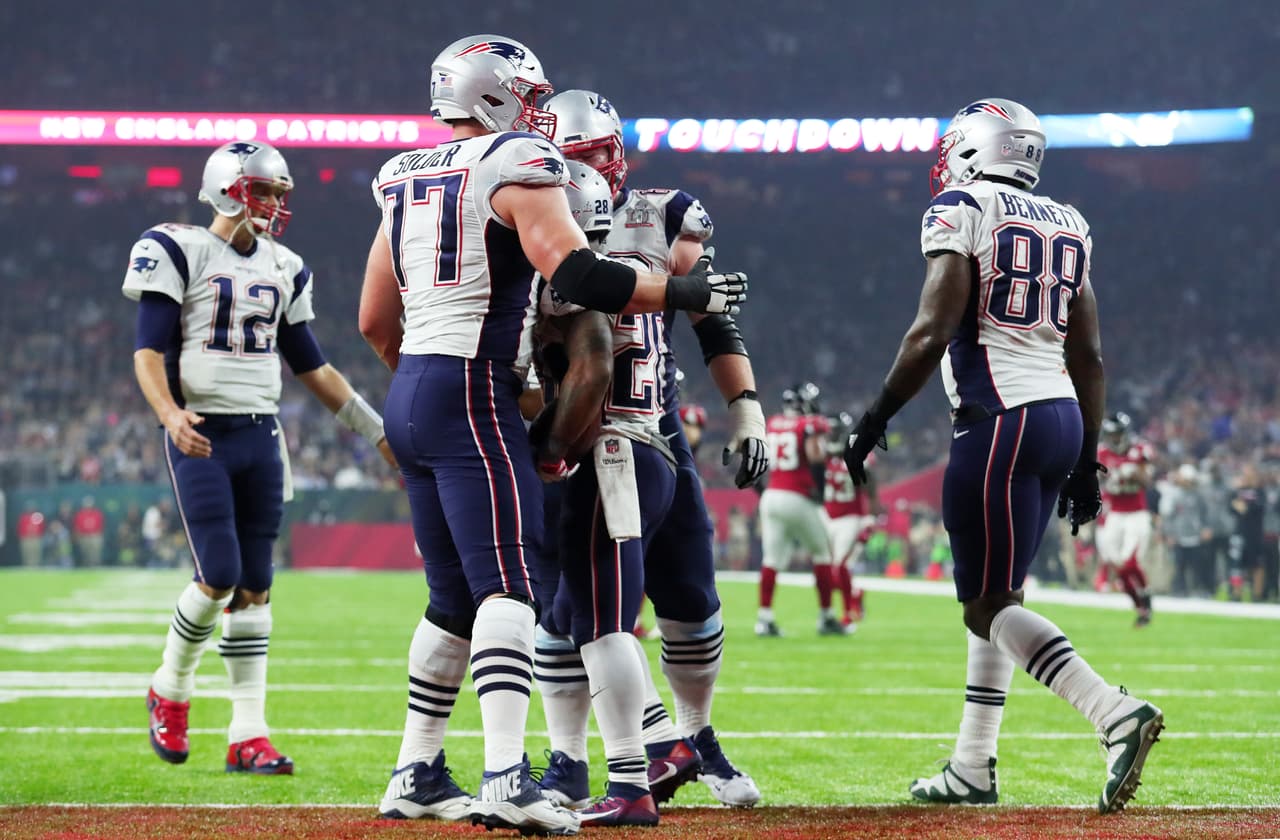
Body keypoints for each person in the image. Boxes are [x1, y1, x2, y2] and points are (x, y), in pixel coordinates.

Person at [358, 37, 746, 835]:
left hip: (413, 388)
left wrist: (422, 385)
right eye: (527, 94)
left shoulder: (400, 174)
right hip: (473, 388)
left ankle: (416, 770)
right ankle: (508, 775)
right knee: (510, 590)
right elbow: (579, 277)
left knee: (452, 602)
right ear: (498, 96)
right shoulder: (519, 160)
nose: (538, 110)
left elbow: (372, 320)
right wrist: (682, 289)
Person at [842, 98, 1163, 814]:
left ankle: (1112, 712)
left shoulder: (963, 206)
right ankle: (972, 765)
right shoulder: (1070, 221)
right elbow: (1090, 355)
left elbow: (932, 330)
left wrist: (873, 420)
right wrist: (1087, 461)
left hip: (1001, 422)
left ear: (973, 149)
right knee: (1000, 598)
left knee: (985, 605)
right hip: (1061, 419)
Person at [125, 140, 394, 777]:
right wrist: (169, 414)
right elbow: (146, 351)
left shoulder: (285, 264)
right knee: (217, 573)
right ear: (226, 188)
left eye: (279, 193)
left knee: (256, 587)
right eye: (263, 190)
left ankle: (249, 733)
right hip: (203, 433)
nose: (274, 204)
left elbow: (313, 366)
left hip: (262, 435)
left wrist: (379, 432)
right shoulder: (177, 248)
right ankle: (171, 687)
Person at [538, 88, 765, 809]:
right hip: (580, 435)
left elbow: (712, 317)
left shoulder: (660, 212)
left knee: (689, 600)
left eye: (609, 149)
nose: (604, 167)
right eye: (584, 156)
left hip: (648, 428)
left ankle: (690, 740)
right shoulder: (531, 218)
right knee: (572, 608)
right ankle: (578, 757)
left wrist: (748, 410)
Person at [529, 159, 676, 825]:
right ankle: (574, 763)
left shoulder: (572, 277)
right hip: (645, 447)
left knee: (600, 625)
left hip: (610, 452)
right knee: (568, 619)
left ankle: (629, 781)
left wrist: (551, 447)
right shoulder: (624, 268)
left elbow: (590, 370)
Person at [757, 383, 836, 636]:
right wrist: (820, 492)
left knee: (771, 560)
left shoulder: (772, 423)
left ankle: (764, 617)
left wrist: (765, 492)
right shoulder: (810, 425)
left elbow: (759, 460)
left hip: (772, 495)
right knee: (823, 553)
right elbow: (815, 456)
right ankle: (826, 616)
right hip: (798, 496)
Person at [1095, 412, 1156, 625]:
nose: (1115, 438)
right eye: (1112, 434)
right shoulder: (1102, 452)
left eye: (1118, 433)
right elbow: (1098, 478)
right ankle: (1140, 608)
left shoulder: (1139, 450)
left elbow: (1147, 481)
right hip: (1116, 515)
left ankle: (1146, 595)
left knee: (1130, 562)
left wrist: (1132, 472)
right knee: (1116, 563)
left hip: (1137, 514)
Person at [823, 411, 878, 630]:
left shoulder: (858, 453)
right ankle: (855, 594)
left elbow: (871, 488)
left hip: (850, 518)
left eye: (836, 431)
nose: (833, 435)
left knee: (841, 567)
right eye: (831, 431)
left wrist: (869, 518)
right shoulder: (822, 455)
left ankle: (848, 613)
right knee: (828, 572)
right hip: (828, 516)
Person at [72, 496, 105, 568]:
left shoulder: (97, 513)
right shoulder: (80, 514)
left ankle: (96, 564)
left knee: (95, 551)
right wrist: (79, 536)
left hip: (94, 535)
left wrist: (96, 534)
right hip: (84, 536)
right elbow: (77, 527)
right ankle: (86, 565)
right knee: (85, 552)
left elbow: (100, 526)